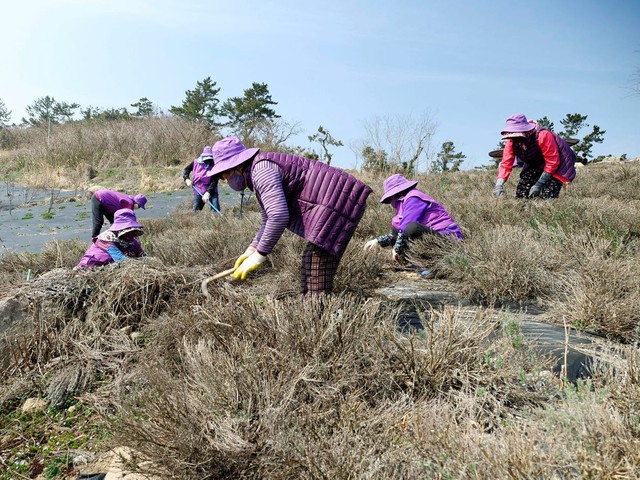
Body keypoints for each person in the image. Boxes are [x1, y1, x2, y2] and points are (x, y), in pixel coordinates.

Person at [210, 135, 372, 295]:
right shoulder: (258, 170)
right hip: (334, 203)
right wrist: (251, 249)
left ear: (237, 167)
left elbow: (278, 216)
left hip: (339, 203)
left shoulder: (261, 171)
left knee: (317, 270)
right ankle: (311, 310)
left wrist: (260, 255)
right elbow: (268, 218)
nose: (226, 180)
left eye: (225, 175)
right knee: (310, 261)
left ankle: (317, 315)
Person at [364, 173, 463, 265]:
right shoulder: (404, 202)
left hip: (449, 241)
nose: (390, 203)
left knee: (412, 228)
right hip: (435, 239)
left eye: (390, 199)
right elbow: (398, 231)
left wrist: (397, 248)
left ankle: (429, 262)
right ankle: (417, 261)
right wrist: (377, 241)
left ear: (397, 194)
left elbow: (407, 226)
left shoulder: (413, 198)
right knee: (397, 230)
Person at [493, 114, 576, 199]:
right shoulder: (511, 142)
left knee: (549, 193)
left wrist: (539, 184)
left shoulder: (543, 135)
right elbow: (506, 163)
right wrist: (499, 185)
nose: (515, 139)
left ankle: (547, 208)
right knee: (522, 191)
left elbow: (553, 162)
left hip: (558, 163)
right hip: (535, 162)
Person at [75, 209, 146, 271]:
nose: (130, 236)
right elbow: (120, 259)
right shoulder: (106, 239)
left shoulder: (132, 241)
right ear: (119, 230)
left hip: (111, 266)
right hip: (92, 267)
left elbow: (143, 255)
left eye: (132, 233)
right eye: (127, 232)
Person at [183, 145, 220, 213]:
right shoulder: (195, 162)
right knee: (196, 211)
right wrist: (187, 179)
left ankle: (217, 222)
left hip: (212, 189)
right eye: (206, 159)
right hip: (198, 189)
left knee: (215, 210)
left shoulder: (215, 165)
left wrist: (208, 193)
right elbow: (186, 170)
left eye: (210, 159)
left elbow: (215, 180)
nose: (208, 161)